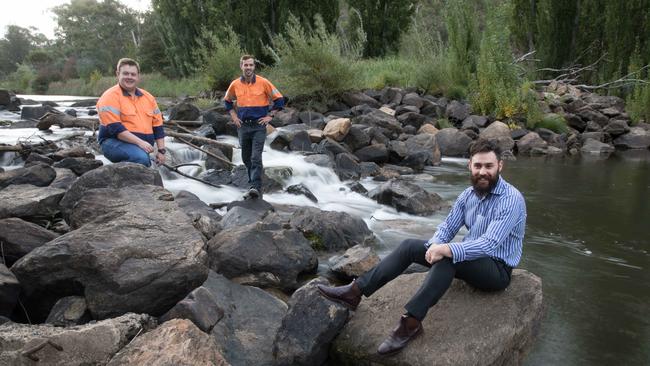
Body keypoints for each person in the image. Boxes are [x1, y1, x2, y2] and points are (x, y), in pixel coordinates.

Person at [318, 138, 527, 356]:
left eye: (489, 166)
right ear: (470, 166)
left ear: (499, 166)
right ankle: (355, 292)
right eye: (478, 166)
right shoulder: (468, 195)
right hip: (471, 260)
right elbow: (448, 226)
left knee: (447, 257)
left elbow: (490, 243)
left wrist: (447, 250)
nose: (483, 172)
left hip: (497, 269)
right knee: (410, 246)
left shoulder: (511, 199)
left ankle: (411, 323)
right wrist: (435, 244)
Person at [224, 55, 284, 199]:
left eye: (251, 65)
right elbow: (227, 101)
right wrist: (234, 117)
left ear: (254, 66)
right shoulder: (235, 84)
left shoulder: (264, 83)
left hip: (259, 126)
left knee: (256, 157)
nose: (248, 67)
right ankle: (253, 184)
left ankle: (255, 187)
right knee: (246, 158)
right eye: (246, 65)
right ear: (241, 66)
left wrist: (271, 116)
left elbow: (280, 100)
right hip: (243, 126)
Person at [96, 58, 166, 167]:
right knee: (141, 158)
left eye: (133, 74)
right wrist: (140, 143)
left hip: (141, 146)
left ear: (138, 76)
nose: (129, 77)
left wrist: (161, 151)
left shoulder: (148, 97)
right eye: (125, 73)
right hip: (113, 142)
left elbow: (157, 126)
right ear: (118, 74)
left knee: (143, 157)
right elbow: (116, 129)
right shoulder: (109, 97)